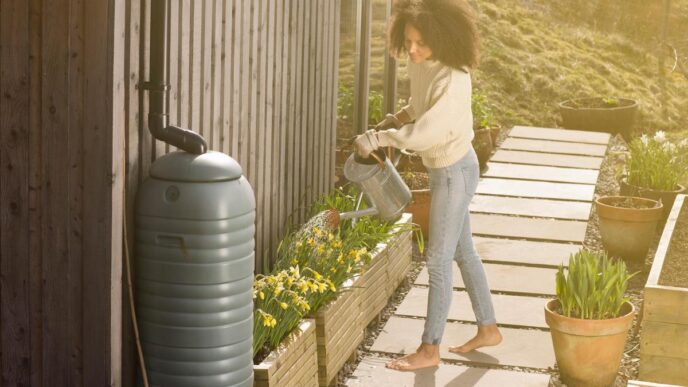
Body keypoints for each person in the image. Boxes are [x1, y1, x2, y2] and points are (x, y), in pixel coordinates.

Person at [353, 0, 502, 371]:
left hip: (455, 172)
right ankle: (489, 328)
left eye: (421, 42)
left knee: (437, 261)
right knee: (463, 252)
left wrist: (380, 138)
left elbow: (423, 135)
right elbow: (421, 103)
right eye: (409, 41)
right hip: (446, 171)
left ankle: (429, 349)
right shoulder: (423, 62)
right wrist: (401, 114)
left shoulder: (455, 80)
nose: (413, 50)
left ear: (443, 38)